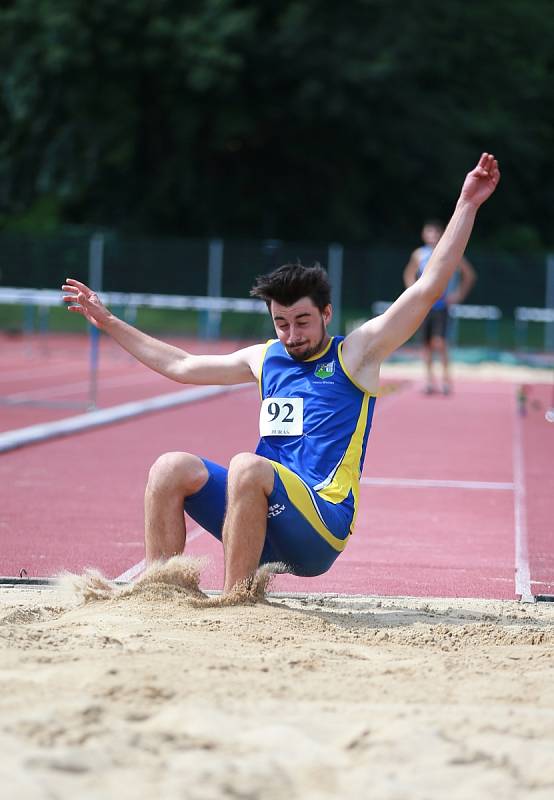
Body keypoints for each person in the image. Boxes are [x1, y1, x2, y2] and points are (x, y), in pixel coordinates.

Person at [62, 153, 500, 595]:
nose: (291, 335)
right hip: (257, 515)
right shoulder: (265, 358)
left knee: (248, 466)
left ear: (326, 314)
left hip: (320, 526)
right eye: (281, 323)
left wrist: (467, 204)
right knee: (169, 468)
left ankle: (235, 600)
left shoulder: (357, 355)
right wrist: (110, 322)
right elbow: (180, 365)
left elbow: (427, 289)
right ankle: (159, 593)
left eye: (303, 322)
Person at [403, 219, 476, 394]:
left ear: (442, 234)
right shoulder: (419, 254)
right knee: (426, 345)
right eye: (429, 232)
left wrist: (458, 294)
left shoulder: (450, 252)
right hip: (424, 306)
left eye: (436, 232)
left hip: (441, 305)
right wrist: (414, 294)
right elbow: (408, 274)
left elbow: (469, 274)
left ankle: (446, 381)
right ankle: (429, 381)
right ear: (423, 234)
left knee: (440, 343)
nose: (433, 236)